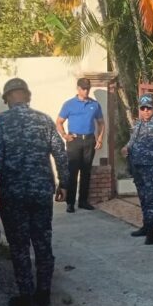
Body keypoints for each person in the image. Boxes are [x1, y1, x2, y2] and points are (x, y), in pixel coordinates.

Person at [0, 77, 70, 306]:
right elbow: (60, 152)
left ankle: (26, 296)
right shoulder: (44, 120)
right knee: (42, 241)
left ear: (6, 99)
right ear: (28, 95)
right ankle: (43, 293)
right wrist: (64, 183)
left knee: (19, 246)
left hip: (14, 194)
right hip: (41, 192)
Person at [121, 93, 153, 245]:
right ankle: (146, 225)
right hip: (137, 166)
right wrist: (127, 147)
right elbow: (133, 140)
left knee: (152, 199)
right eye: (143, 108)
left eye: (148, 108)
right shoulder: (139, 123)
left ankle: (152, 232)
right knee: (143, 197)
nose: (145, 111)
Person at [56, 77, 105, 213]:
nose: (86, 91)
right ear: (78, 88)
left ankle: (83, 201)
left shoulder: (94, 104)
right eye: (84, 88)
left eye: (88, 88)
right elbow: (59, 122)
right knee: (72, 172)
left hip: (89, 140)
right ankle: (70, 203)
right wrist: (65, 135)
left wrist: (100, 138)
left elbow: (101, 122)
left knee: (86, 172)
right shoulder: (69, 104)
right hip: (74, 141)